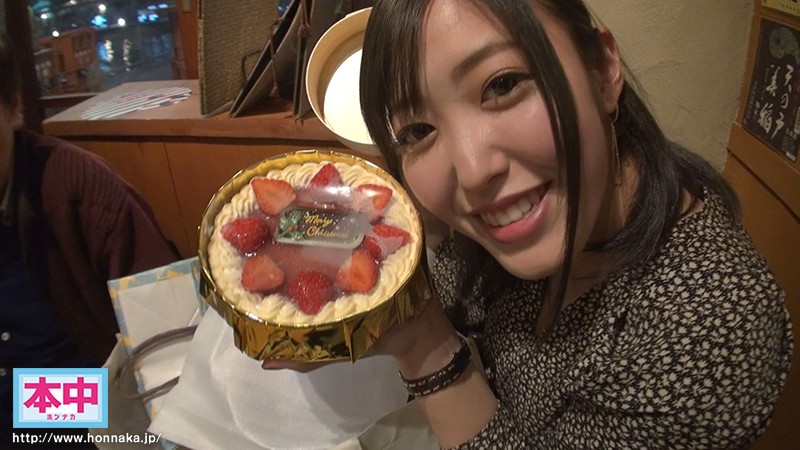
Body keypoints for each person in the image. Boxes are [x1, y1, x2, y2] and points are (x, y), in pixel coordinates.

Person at [352, 0, 793, 448]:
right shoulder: (529, 214)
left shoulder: (714, 326)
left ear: (602, 71)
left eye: (502, 85)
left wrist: (424, 349)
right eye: (418, 131)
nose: (471, 171)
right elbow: (462, 294)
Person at [0, 32, 179, 448]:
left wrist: (22, 404)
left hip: (85, 409)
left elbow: (169, 342)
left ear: (15, 108)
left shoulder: (80, 190)